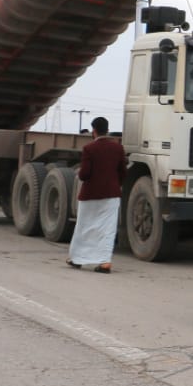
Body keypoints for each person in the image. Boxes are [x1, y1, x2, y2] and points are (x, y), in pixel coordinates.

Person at [67, 116, 127, 273]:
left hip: (90, 195)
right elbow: (123, 172)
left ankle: (77, 259)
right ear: (107, 129)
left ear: (93, 131)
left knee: (84, 226)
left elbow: (84, 174)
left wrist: (81, 173)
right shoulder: (118, 148)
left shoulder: (89, 149)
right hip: (111, 194)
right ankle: (105, 262)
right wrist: (115, 184)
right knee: (107, 229)